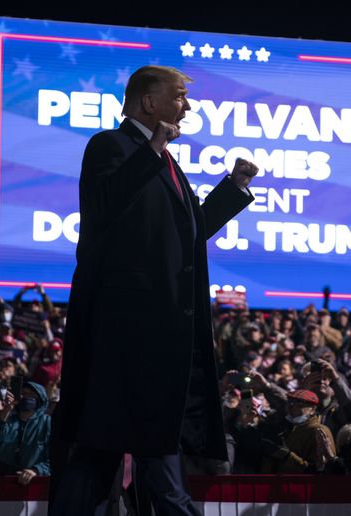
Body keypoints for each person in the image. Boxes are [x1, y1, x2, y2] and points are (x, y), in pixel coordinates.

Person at [51, 64, 258, 516]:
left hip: (157, 342)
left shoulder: (165, 162)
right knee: (108, 456)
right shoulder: (110, 146)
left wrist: (234, 187)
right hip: (122, 338)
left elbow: (190, 230)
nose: (188, 105)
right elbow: (104, 205)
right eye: (180, 96)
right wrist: (153, 148)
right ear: (149, 102)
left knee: (119, 457)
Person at [0, 381, 50, 483]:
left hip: (33, 484)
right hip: (1, 480)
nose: (26, 397)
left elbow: (55, 458)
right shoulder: (6, 418)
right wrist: (7, 409)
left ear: (40, 399)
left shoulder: (47, 423)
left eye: (31, 394)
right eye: (23, 394)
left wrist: (37, 470)